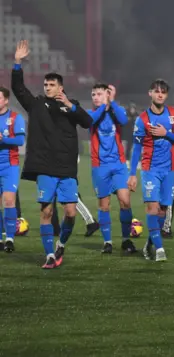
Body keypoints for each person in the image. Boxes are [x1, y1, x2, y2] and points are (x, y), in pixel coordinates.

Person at [12, 40, 93, 269]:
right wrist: (17, 63)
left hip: (66, 168)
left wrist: (70, 104)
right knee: (46, 210)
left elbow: (88, 123)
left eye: (52, 85)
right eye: (46, 84)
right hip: (45, 167)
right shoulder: (37, 105)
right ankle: (49, 254)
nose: (47, 88)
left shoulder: (71, 106)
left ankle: (61, 244)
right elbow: (19, 90)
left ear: (61, 88)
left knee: (70, 213)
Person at [128, 78, 174, 262]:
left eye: (163, 91)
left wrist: (165, 134)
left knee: (162, 210)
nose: (160, 94)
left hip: (168, 170)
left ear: (166, 95)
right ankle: (160, 249)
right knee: (152, 208)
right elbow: (136, 147)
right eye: (156, 91)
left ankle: (150, 244)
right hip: (150, 169)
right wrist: (132, 175)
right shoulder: (142, 119)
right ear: (150, 93)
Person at [88, 83, 137, 254]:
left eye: (99, 94)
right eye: (93, 94)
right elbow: (92, 120)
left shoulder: (116, 112)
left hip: (118, 164)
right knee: (104, 205)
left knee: (125, 201)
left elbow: (124, 120)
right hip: (99, 166)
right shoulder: (90, 113)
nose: (95, 97)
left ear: (107, 95)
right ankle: (107, 242)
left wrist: (113, 102)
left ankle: (126, 239)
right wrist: (104, 105)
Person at [0, 86, 26, 253]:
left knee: (9, 201)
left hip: (10, 165)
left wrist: (3, 139)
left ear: (6, 100)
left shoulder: (16, 117)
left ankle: (9, 239)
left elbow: (20, 141)